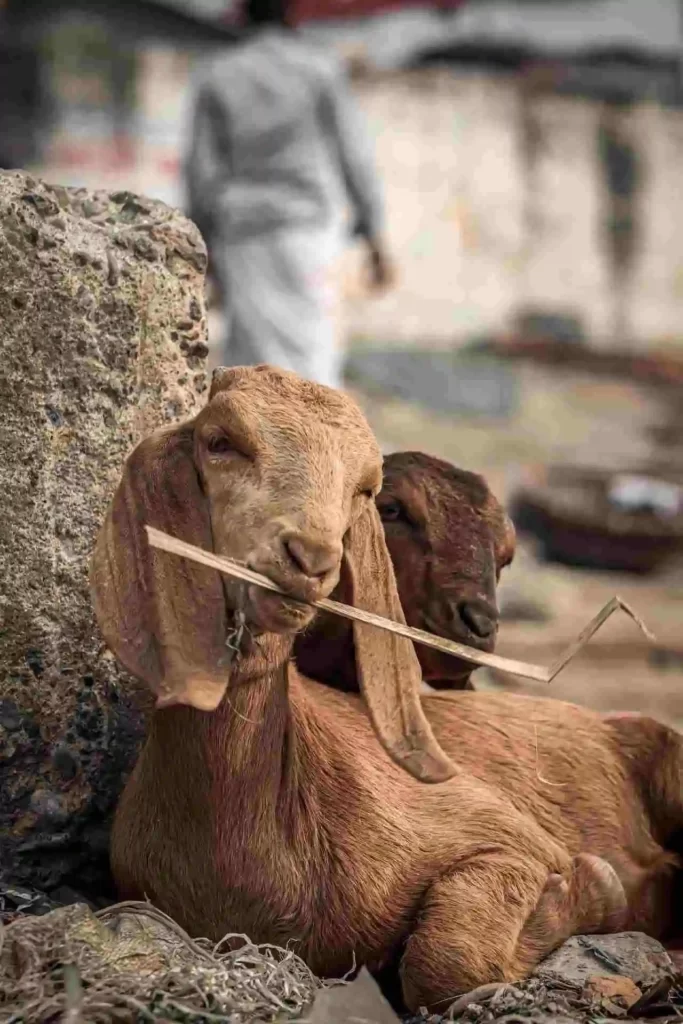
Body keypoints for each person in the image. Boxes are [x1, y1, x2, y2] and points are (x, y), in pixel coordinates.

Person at [183, 0, 394, 389]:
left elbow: (200, 173)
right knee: (313, 351)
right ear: (291, 15)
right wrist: (375, 234)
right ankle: (312, 442)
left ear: (244, 15)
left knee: (251, 360)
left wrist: (201, 248)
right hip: (307, 231)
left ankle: (257, 443)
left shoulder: (219, 74)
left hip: (243, 232)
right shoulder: (320, 70)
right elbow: (355, 155)